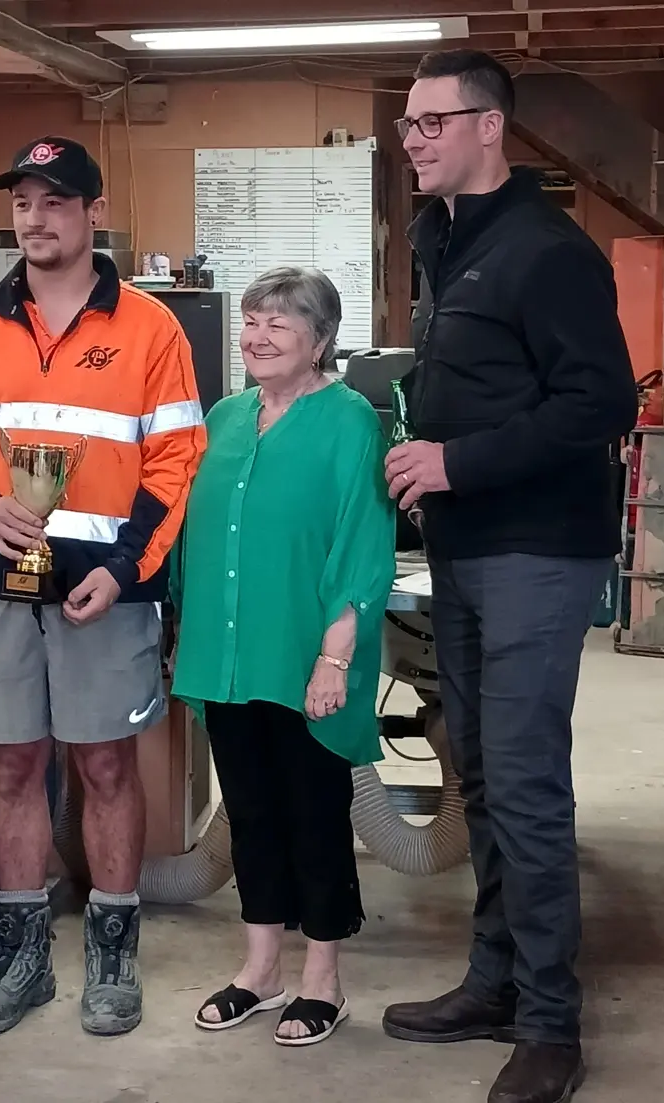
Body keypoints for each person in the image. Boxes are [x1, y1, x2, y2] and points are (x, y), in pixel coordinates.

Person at [0, 135, 206, 1040]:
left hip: (106, 584)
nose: (35, 219)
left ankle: (113, 951)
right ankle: (22, 952)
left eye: (56, 201)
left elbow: (178, 457)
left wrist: (126, 567)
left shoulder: (151, 329)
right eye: (24, 202)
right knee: (15, 764)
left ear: (94, 214)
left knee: (104, 763)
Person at [380, 51, 638, 1103]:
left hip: (538, 548)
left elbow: (601, 403)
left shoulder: (545, 251)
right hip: (467, 545)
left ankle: (550, 1023)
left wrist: (456, 461)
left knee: (525, 781)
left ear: (490, 128)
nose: (414, 141)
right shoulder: (452, 243)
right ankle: (493, 980)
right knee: (480, 770)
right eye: (408, 125)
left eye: (433, 122)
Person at [169, 266, 396, 1047]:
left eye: (280, 324)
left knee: (314, 816)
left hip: (305, 657)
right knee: (253, 814)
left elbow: (364, 545)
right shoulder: (226, 416)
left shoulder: (351, 422)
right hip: (228, 650)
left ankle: (322, 980)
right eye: (253, 321)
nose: (258, 336)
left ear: (321, 340)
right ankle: (260, 970)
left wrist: (334, 659)